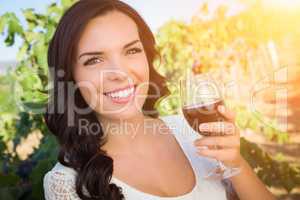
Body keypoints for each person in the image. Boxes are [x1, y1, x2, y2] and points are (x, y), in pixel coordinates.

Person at [43, 0, 276, 200]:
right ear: (71, 76)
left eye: (131, 51)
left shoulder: (192, 131)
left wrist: (235, 164)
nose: (120, 72)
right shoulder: (65, 184)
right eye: (94, 60)